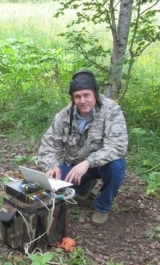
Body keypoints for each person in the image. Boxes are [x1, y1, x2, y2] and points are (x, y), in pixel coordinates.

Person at [38, 70, 128, 226]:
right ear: (73, 99)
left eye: (87, 95)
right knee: (56, 187)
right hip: (74, 165)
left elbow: (117, 146)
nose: (82, 100)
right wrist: (51, 165)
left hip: (102, 164)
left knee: (116, 166)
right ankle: (85, 186)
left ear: (95, 95)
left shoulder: (111, 110)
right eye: (77, 97)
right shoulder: (64, 115)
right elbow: (49, 144)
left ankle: (102, 207)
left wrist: (87, 163)